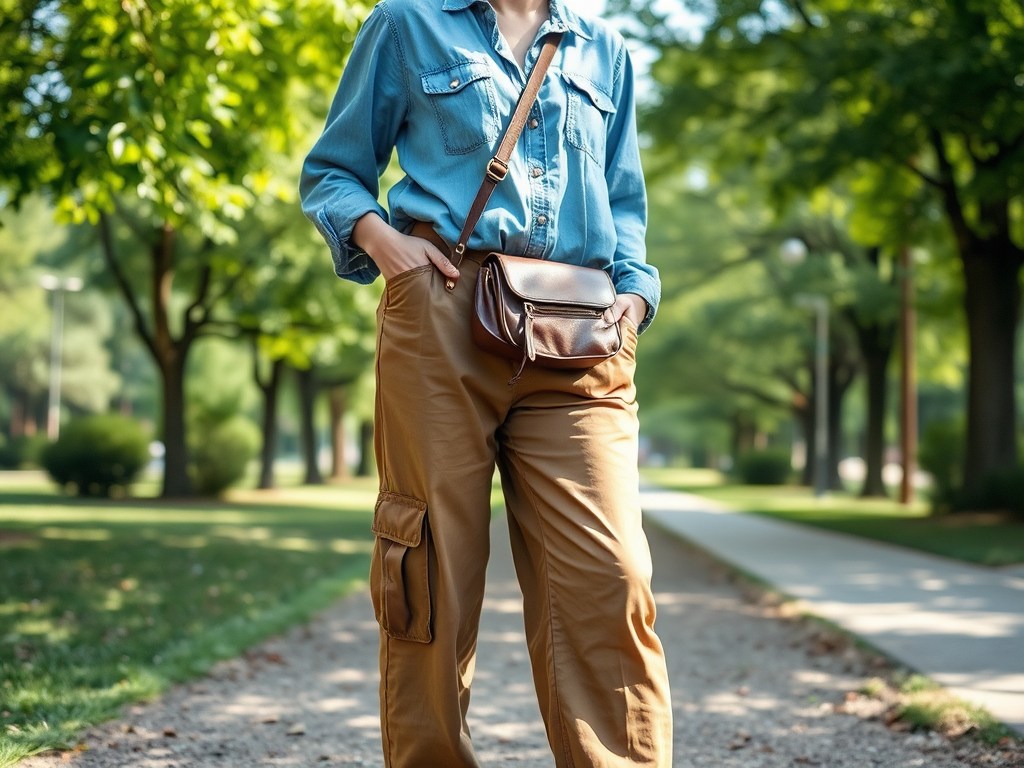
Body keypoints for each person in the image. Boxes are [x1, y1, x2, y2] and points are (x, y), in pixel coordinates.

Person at [300, 0, 673, 765]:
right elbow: (333, 172)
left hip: (581, 332)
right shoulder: (405, 23)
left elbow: (625, 199)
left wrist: (634, 294)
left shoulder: (605, 48)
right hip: (444, 310)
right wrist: (384, 244)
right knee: (429, 569)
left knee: (614, 576)